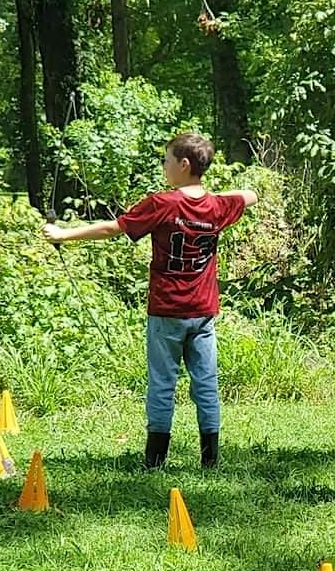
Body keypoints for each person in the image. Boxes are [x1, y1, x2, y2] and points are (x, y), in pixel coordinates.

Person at [42, 132, 256, 470]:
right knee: (206, 384)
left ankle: (155, 462)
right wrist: (205, 196)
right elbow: (250, 195)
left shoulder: (163, 203)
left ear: (184, 165)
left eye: (168, 160)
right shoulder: (217, 206)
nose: (164, 166)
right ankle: (209, 461)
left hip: (167, 311)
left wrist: (63, 235)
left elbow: (113, 228)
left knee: (162, 383)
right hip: (203, 312)